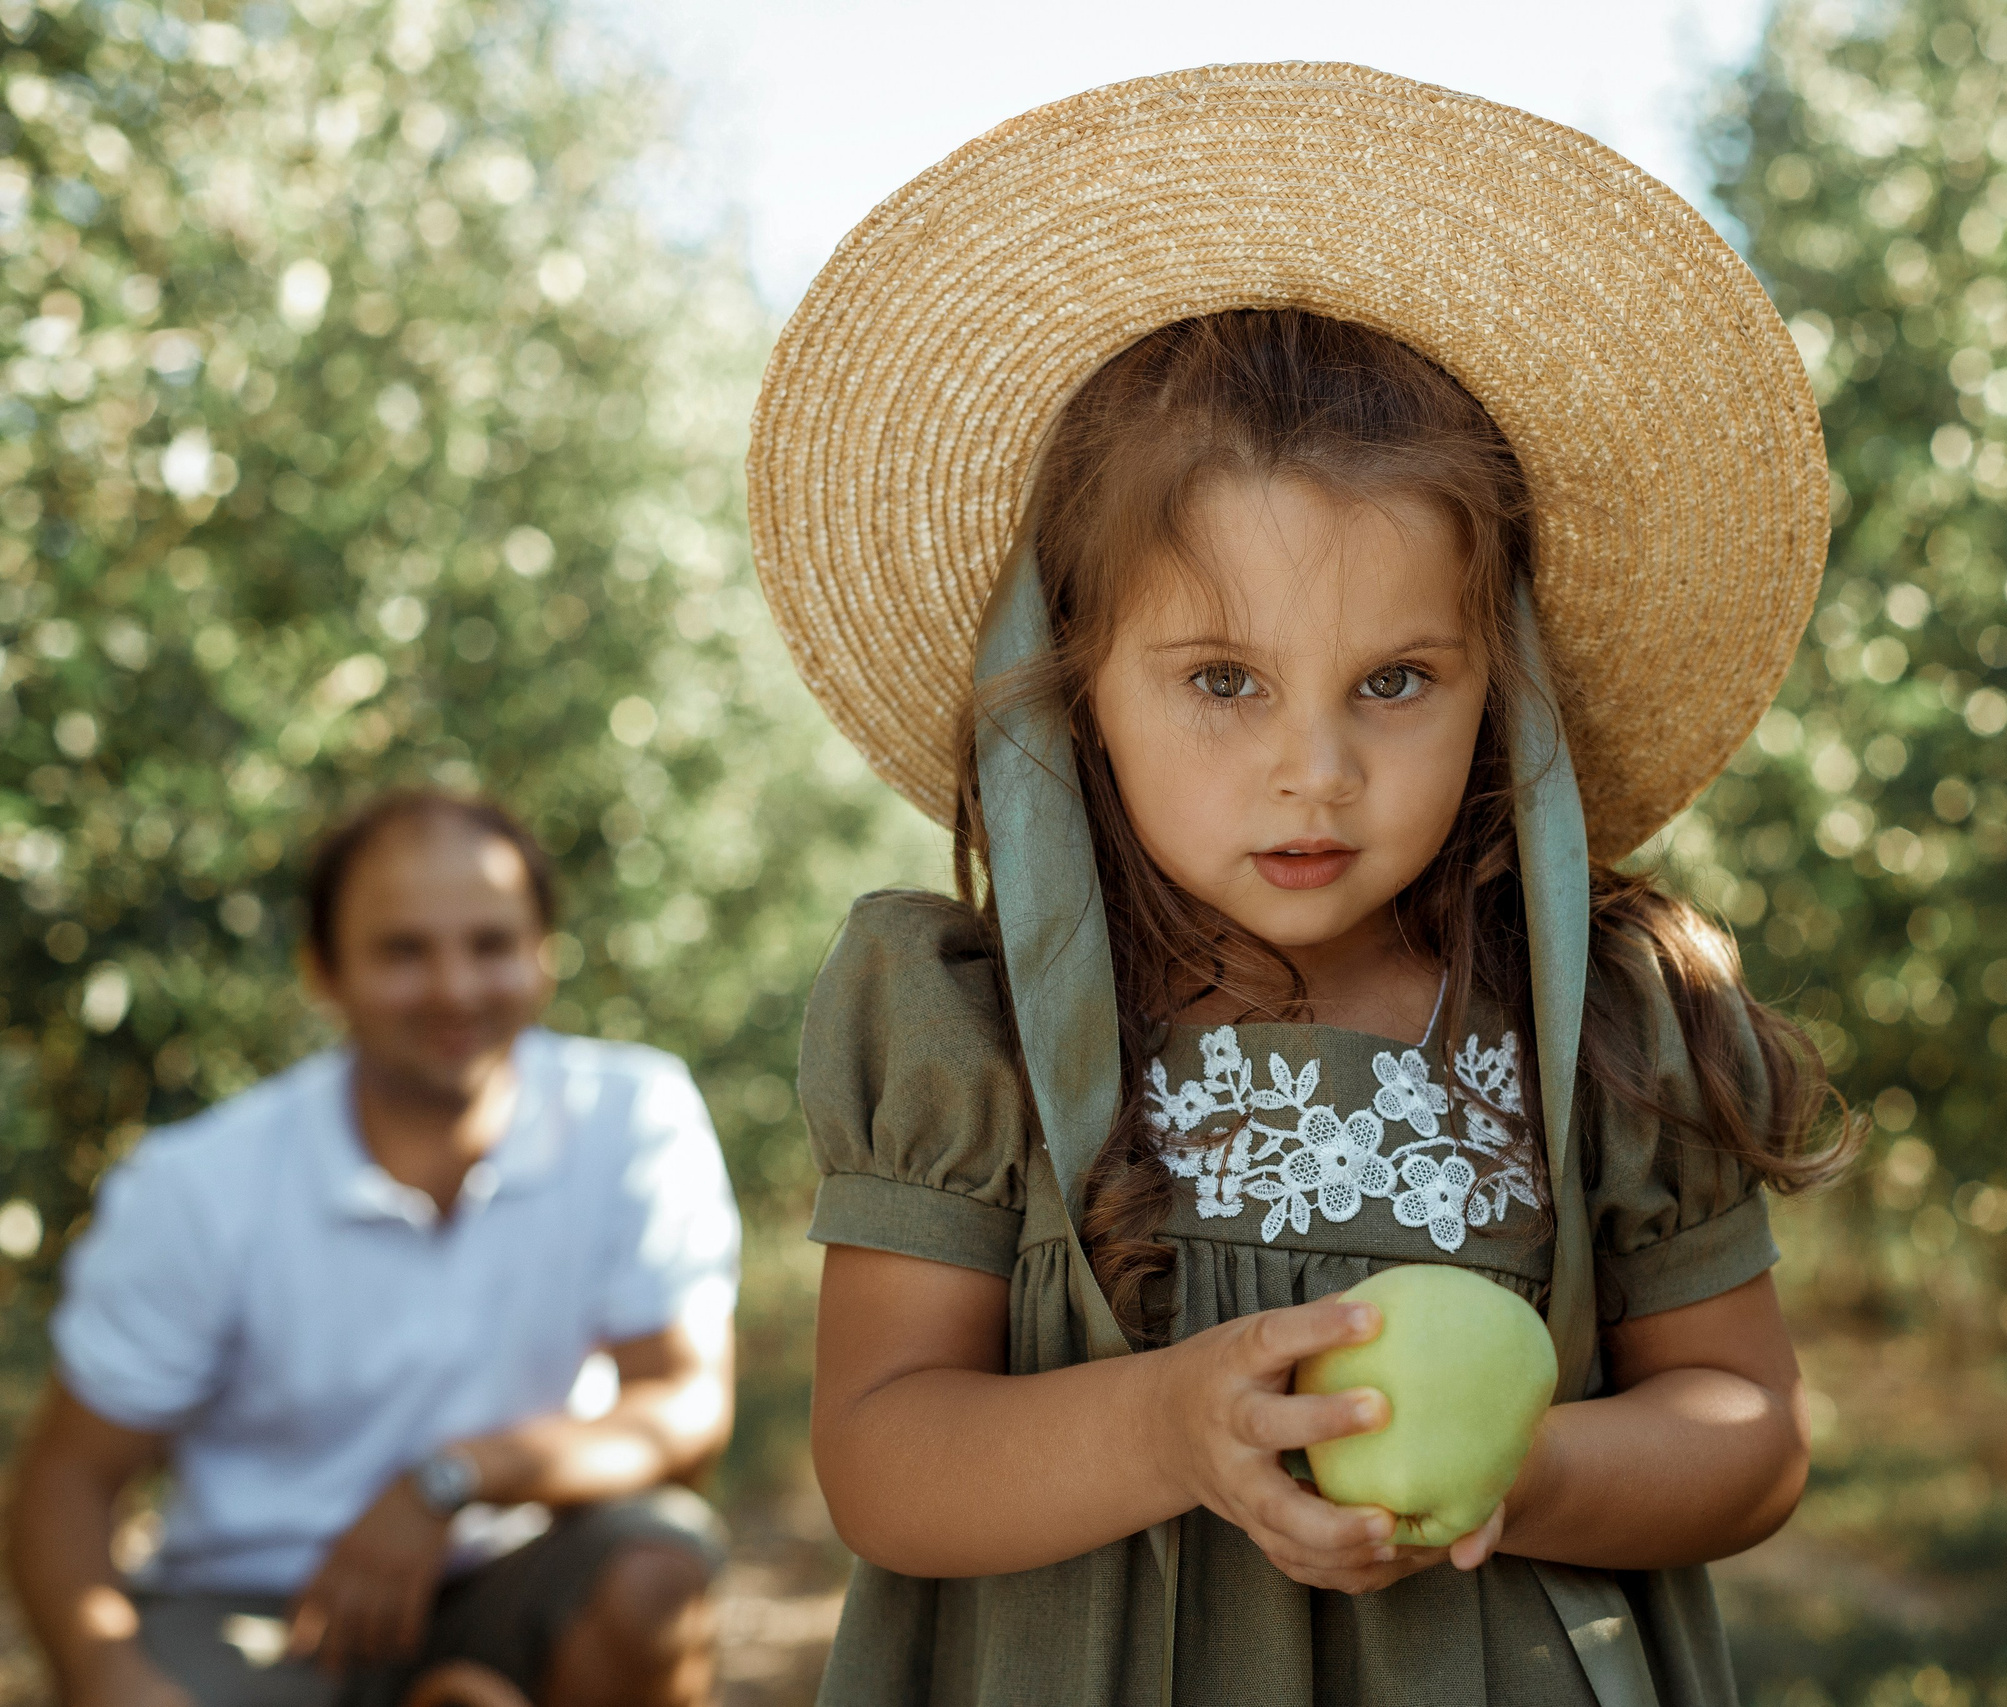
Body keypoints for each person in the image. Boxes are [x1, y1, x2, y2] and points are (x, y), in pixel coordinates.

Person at [745, 63, 1858, 1707]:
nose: (1314, 771)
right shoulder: (969, 1031)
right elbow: (885, 1459)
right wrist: (1168, 1427)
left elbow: (1748, 1435)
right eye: (1221, 681)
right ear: (1079, 692)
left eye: (1396, 681)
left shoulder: (1602, 1020)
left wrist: (1516, 1469)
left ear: (1506, 687)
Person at [7, 791, 740, 1707]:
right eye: (404, 950)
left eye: (491, 943)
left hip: (514, 1572)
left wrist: (450, 1481)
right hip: (259, 1610)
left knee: (654, 1568)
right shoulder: (198, 1183)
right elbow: (71, 1475)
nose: (455, 988)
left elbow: (685, 1404)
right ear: (323, 969)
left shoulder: (636, 1115)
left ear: (545, 954)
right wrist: (105, 1672)